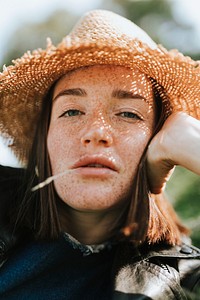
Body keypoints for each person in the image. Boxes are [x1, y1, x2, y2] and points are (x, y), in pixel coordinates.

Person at [0, 9, 200, 300]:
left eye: (129, 114)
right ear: (45, 140)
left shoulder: (185, 280)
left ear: (159, 140)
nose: (96, 132)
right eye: (71, 111)